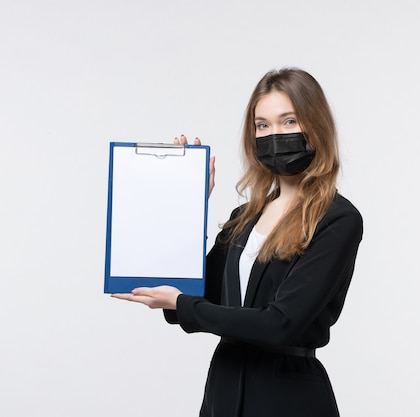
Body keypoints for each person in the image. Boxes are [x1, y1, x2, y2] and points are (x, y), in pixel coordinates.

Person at [112, 67, 363, 417]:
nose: (274, 134)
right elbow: (198, 297)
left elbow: (280, 325)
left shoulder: (337, 219)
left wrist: (183, 304)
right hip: (224, 392)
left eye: (288, 121)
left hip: (288, 398)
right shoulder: (244, 216)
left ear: (315, 127)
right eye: (263, 125)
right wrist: (186, 202)